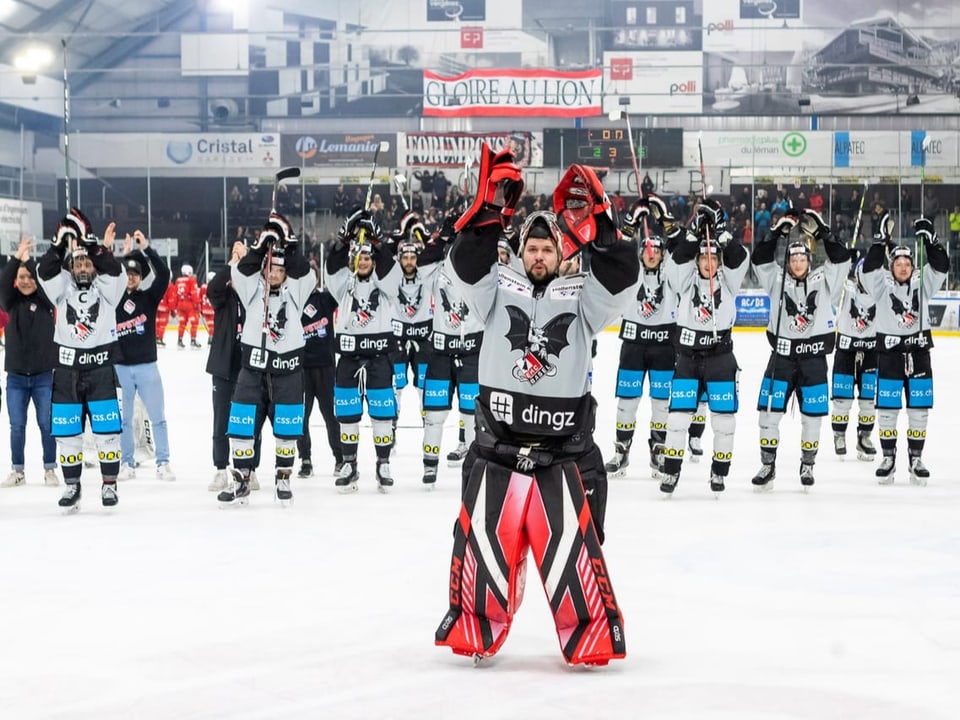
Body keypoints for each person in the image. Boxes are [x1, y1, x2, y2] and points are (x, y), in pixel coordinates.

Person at [435, 148, 634, 665]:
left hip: (564, 457)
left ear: (562, 252)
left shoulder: (582, 297)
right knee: (484, 555)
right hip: (496, 452)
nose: (540, 256)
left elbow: (622, 280)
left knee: (576, 559)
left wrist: (604, 227)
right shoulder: (497, 292)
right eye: (533, 248)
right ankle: (477, 627)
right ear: (520, 251)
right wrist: (487, 213)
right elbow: (464, 267)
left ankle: (588, 636)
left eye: (549, 248)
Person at [217, 213, 314, 506]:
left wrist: (285, 239)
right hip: (253, 370)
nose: (273, 274)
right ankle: (241, 479)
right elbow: (240, 271)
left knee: (287, 429)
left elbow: (305, 271)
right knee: (242, 425)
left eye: (279, 270)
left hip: (287, 371)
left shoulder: (296, 290)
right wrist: (261, 245)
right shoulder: (251, 289)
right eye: (270, 268)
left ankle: (283, 478)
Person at [750, 209, 850, 490]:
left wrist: (823, 234)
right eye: (793, 258)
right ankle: (768, 466)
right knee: (768, 414)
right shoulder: (776, 280)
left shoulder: (824, 279)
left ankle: (808, 465)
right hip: (781, 358)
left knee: (812, 418)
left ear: (809, 259)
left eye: (802, 258)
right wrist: (774, 235)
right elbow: (759, 259)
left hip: (814, 361)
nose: (797, 262)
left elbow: (841, 258)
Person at [657, 198, 750, 495]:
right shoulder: (686, 281)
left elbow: (740, 257)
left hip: (720, 358)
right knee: (677, 419)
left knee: (723, 421)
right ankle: (671, 471)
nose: (709, 263)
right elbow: (673, 265)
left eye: (714, 259)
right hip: (687, 358)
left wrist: (721, 231)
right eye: (703, 258)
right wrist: (694, 234)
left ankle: (719, 472)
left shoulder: (730, 280)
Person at [37, 209, 126, 511]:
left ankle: (109, 486)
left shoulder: (108, 290)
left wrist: (92, 245)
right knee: (68, 435)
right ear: (71, 267)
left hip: (101, 371)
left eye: (88, 262)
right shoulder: (62, 289)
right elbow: (45, 270)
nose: (84, 267)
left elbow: (114, 270)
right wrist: (60, 243)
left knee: (107, 434)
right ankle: (72, 486)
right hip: (66, 373)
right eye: (78, 262)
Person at [861, 214, 949, 485]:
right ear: (891, 265)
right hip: (888, 355)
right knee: (887, 409)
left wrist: (932, 243)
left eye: (907, 262)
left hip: (919, 353)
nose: (902, 266)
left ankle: (916, 458)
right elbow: (867, 269)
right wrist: (880, 242)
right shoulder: (881, 284)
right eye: (897, 262)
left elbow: (942, 266)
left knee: (918, 409)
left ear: (913, 265)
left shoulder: (923, 282)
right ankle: (888, 458)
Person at [324, 208, 402, 492]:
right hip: (348, 359)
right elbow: (332, 269)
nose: (365, 261)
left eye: (368, 257)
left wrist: (378, 243)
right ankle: (349, 464)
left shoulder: (384, 287)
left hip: (379, 358)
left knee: (383, 414)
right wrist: (345, 240)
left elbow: (393, 275)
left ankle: (383, 463)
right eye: (360, 257)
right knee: (347, 413)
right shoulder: (345, 285)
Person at [422, 215, 482, 485]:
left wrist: (472, 235)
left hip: (471, 352)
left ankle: (473, 464)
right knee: (434, 415)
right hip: (440, 353)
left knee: (471, 414)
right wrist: (442, 238)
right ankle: (430, 465)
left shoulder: (479, 269)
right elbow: (421, 263)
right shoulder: (438, 270)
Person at [113, 229, 176, 481]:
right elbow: (105, 275)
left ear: (140, 277)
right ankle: (127, 463)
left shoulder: (149, 298)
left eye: (135, 274)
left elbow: (164, 274)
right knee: (124, 420)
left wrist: (147, 249)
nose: (130, 277)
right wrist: (122, 254)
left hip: (147, 366)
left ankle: (163, 462)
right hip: (120, 369)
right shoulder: (113, 298)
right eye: (127, 273)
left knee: (158, 417)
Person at [0, 237, 59, 487]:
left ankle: (49, 468)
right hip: (15, 377)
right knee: (17, 426)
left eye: (30, 277)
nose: (26, 281)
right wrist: (16, 260)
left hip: (44, 375)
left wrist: (29, 262)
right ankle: (18, 471)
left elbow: (44, 279)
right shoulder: (10, 302)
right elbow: (3, 284)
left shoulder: (46, 301)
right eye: (21, 277)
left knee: (46, 424)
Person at [205, 241, 263, 493]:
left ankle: (251, 469)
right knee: (221, 420)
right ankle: (220, 469)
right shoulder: (223, 296)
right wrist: (233, 264)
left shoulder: (256, 296)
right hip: (223, 366)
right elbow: (212, 288)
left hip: (249, 367)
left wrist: (246, 264)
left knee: (251, 421)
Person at [389, 211, 443, 460]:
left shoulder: (425, 273)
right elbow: (383, 255)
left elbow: (437, 255)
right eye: (405, 256)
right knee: (395, 390)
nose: (409, 261)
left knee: (425, 390)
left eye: (413, 256)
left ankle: (428, 436)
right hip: (398, 339)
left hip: (424, 339)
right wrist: (403, 230)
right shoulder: (392, 277)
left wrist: (425, 237)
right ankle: (389, 434)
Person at [830, 251, 878, 462]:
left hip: (871, 351)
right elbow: (832, 279)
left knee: (869, 400)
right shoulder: (846, 287)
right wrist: (843, 261)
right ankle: (839, 435)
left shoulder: (880, 291)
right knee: (842, 398)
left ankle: (864, 437)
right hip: (845, 350)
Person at [297, 274, 342, 478]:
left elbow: (340, 286)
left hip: (325, 368)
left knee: (331, 416)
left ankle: (340, 458)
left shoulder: (325, 299)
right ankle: (305, 459)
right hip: (301, 369)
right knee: (301, 418)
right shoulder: (293, 301)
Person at [175, 263, 201, 348]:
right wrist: (197, 303)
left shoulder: (178, 280)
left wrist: (175, 306)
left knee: (182, 323)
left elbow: (175, 294)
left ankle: (179, 340)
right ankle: (193, 341)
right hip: (189, 304)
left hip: (180, 304)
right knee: (194, 323)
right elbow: (194, 293)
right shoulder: (191, 280)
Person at [199, 271, 216, 345]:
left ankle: (210, 337)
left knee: (210, 325)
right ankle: (211, 339)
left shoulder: (203, 287)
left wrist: (200, 309)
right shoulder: (215, 287)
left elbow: (199, 298)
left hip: (205, 310)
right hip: (212, 309)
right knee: (212, 325)